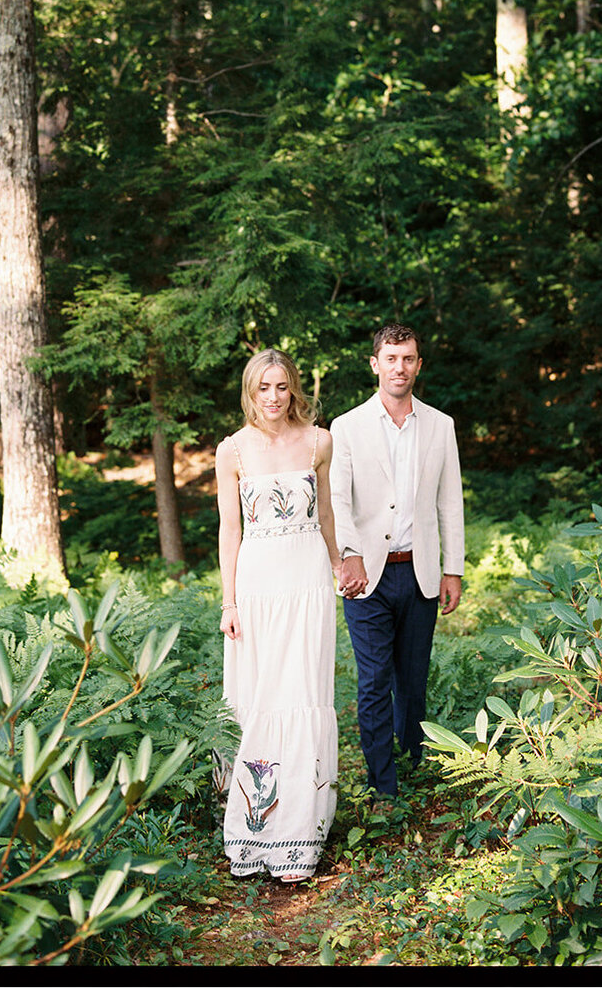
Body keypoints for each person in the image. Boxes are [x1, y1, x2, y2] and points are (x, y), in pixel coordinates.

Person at [216, 348, 340, 882]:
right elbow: (229, 530)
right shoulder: (232, 450)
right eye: (262, 387)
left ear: (294, 389)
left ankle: (301, 826)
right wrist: (229, 601)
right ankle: (254, 827)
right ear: (250, 392)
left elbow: (328, 511)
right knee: (262, 695)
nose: (272, 397)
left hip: (308, 582)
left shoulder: (319, 441)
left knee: (303, 693)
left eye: (281, 386)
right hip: (258, 586)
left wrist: (339, 564)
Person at [330, 323, 464, 803]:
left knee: (412, 681)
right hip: (366, 577)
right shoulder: (345, 428)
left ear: (418, 364)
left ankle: (412, 762)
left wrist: (454, 569)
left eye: (408, 358)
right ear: (375, 364)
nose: (399, 367)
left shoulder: (441, 425)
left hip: (421, 572)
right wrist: (349, 557)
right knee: (373, 682)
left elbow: (450, 503)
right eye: (391, 358)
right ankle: (381, 785)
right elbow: (337, 502)